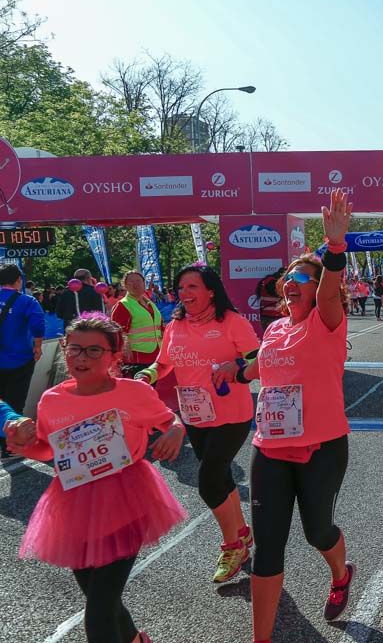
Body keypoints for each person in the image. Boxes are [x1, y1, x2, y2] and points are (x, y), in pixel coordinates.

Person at [6, 314, 186, 642]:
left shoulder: (133, 393)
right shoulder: (52, 399)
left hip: (127, 499)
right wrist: (23, 443)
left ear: (115, 356)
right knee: (101, 598)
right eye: (74, 349)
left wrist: (175, 430)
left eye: (94, 351)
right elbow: (50, 451)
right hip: (73, 502)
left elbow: (168, 419)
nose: (81, 359)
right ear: (63, 349)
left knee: (99, 613)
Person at [241, 189, 354, 643]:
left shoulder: (327, 320)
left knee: (317, 531)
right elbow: (261, 366)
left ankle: (341, 571)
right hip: (269, 447)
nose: (293, 282)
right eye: (290, 276)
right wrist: (233, 370)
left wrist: (335, 247)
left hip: (322, 447)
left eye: (304, 277)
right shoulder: (273, 328)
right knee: (267, 548)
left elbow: (329, 290)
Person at [136, 265, 258, 583]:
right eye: (181, 287)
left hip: (231, 414)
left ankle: (233, 546)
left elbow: (260, 358)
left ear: (211, 291)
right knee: (221, 476)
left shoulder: (232, 322)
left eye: (193, 286)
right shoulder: (176, 325)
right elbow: (163, 363)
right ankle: (243, 532)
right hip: (195, 415)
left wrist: (237, 364)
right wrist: (145, 376)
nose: (185, 293)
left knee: (208, 481)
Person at [0, 264, 45, 423]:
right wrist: (38, 346)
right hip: (20, 360)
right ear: (19, 280)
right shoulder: (27, 301)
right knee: (14, 404)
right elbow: (38, 326)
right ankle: (9, 445)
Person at [110, 271, 164, 381]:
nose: (136, 284)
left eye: (139, 281)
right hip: (136, 358)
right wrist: (123, 356)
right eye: (131, 282)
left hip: (157, 355)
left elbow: (160, 326)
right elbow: (117, 333)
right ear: (125, 285)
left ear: (144, 283)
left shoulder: (150, 303)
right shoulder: (123, 305)